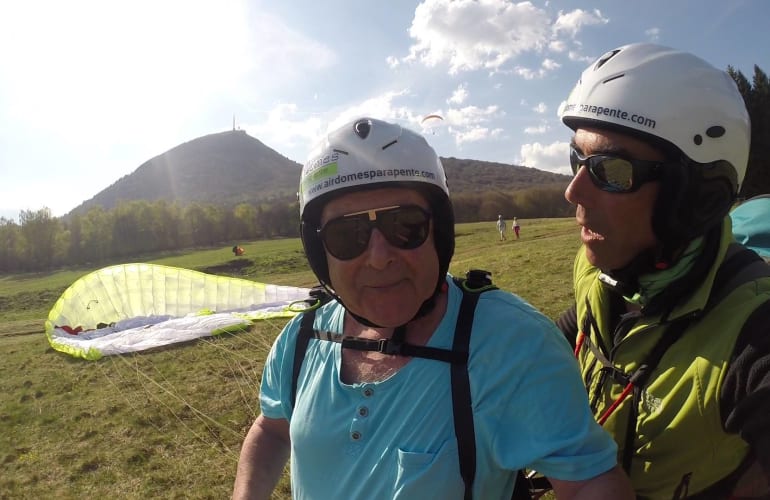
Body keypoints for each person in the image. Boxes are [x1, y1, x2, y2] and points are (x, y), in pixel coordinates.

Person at [233, 117, 633, 499]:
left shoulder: (510, 342)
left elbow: (586, 481)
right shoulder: (302, 339)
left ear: (438, 233)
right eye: (348, 235)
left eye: (404, 226)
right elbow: (272, 429)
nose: (378, 257)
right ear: (320, 253)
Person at [556, 42, 770, 499]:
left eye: (610, 170)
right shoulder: (599, 268)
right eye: (576, 158)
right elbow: (572, 328)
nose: (573, 193)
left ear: (693, 197)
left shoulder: (754, 334)